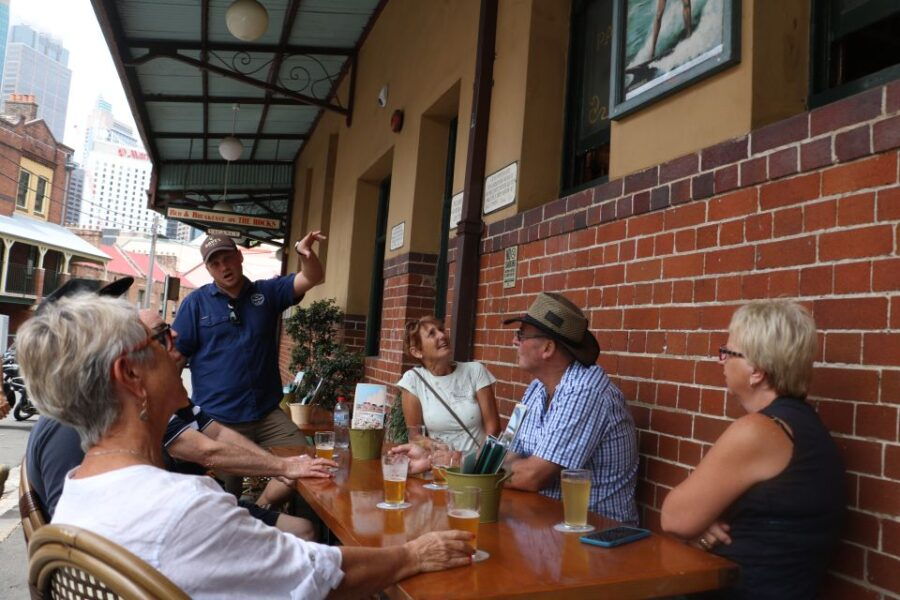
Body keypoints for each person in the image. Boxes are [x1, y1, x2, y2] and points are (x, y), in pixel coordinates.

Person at [17, 293, 474, 599]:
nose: (177, 346)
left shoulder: (80, 489)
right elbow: (321, 576)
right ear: (131, 376)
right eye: (160, 340)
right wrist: (413, 554)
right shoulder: (182, 507)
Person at [26, 306, 336, 539]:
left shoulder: (119, 479)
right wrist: (282, 468)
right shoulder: (174, 498)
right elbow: (206, 452)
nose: (175, 339)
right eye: (159, 338)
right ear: (128, 373)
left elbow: (217, 434)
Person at [661, 300, 845, 599]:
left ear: (756, 371)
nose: (721, 360)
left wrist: (701, 528)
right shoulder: (806, 427)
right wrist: (703, 526)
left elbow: (674, 518)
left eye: (728, 352)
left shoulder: (759, 432)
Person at [173, 231, 326, 494]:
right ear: (209, 269)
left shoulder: (266, 293)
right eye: (215, 263)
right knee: (221, 495)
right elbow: (175, 359)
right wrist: (178, 410)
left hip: (267, 415)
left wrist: (304, 255)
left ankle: (264, 507)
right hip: (218, 421)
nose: (224, 267)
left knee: (307, 466)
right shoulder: (195, 305)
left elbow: (312, 277)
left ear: (239, 257)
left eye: (227, 258)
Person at [502, 292, 639, 525]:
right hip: (543, 523)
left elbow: (532, 476)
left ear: (547, 348)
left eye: (521, 334)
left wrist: (473, 467)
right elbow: (507, 449)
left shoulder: (584, 391)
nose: (514, 341)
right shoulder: (537, 387)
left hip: (594, 536)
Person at [396, 316, 500, 452]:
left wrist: (475, 463)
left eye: (441, 330)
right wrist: (436, 447)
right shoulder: (413, 381)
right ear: (417, 352)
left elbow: (493, 429)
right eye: (432, 334)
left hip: (476, 466)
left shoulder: (475, 371)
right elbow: (415, 435)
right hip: (441, 465)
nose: (442, 335)